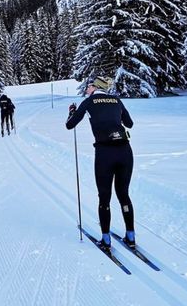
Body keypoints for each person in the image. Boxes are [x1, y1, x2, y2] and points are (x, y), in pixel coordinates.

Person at [66, 76, 135, 251]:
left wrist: (72, 112)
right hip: (125, 151)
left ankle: (106, 240)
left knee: (104, 197)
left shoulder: (89, 102)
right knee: (123, 194)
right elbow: (129, 124)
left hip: (105, 153)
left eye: (88, 86)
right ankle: (131, 236)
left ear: (95, 87)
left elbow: (70, 125)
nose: (86, 88)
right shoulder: (116, 100)